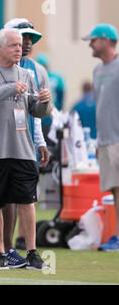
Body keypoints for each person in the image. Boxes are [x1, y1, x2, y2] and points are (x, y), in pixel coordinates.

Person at [0, 28, 52, 270]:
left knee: (27, 201)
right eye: (13, 45)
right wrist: (8, 89)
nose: (20, 48)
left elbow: (34, 110)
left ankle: (32, 252)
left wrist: (45, 103)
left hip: (22, 150)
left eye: (20, 45)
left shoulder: (27, 74)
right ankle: (0, 253)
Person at [82, 23, 119, 251]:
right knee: (114, 190)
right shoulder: (97, 70)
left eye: (93, 40)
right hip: (105, 140)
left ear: (105, 40)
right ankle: (115, 236)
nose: (90, 45)